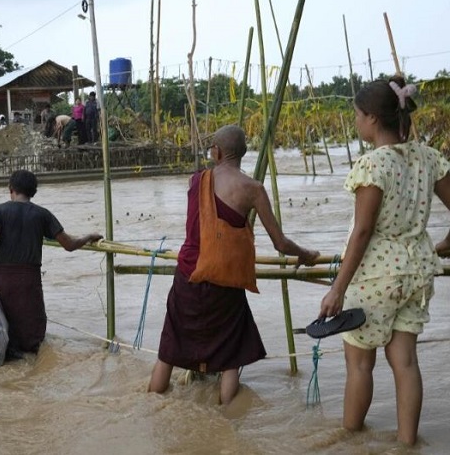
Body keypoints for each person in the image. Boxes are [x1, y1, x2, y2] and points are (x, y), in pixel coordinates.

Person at [318, 76, 450, 445]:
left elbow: (362, 233)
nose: (356, 121)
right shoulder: (427, 157)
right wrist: (443, 244)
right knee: (406, 362)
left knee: (360, 364)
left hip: (375, 276)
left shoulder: (372, 164)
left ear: (373, 118)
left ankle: (350, 441)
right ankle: (408, 445)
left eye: (358, 115)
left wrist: (337, 290)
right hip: (418, 274)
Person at [148, 125, 319, 405]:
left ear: (216, 152)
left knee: (169, 350)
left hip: (188, 276)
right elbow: (280, 243)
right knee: (230, 355)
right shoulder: (253, 189)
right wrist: (306, 254)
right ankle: (228, 414)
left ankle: (152, 406)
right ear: (243, 153)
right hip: (225, 282)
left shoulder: (196, 181)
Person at [0, 170, 103, 358]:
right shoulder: (42, 214)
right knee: (33, 332)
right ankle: (33, 368)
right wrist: (88, 237)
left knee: (3, 324)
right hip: (29, 280)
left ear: (11, 189)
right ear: (33, 191)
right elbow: (69, 245)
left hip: (3, 278)